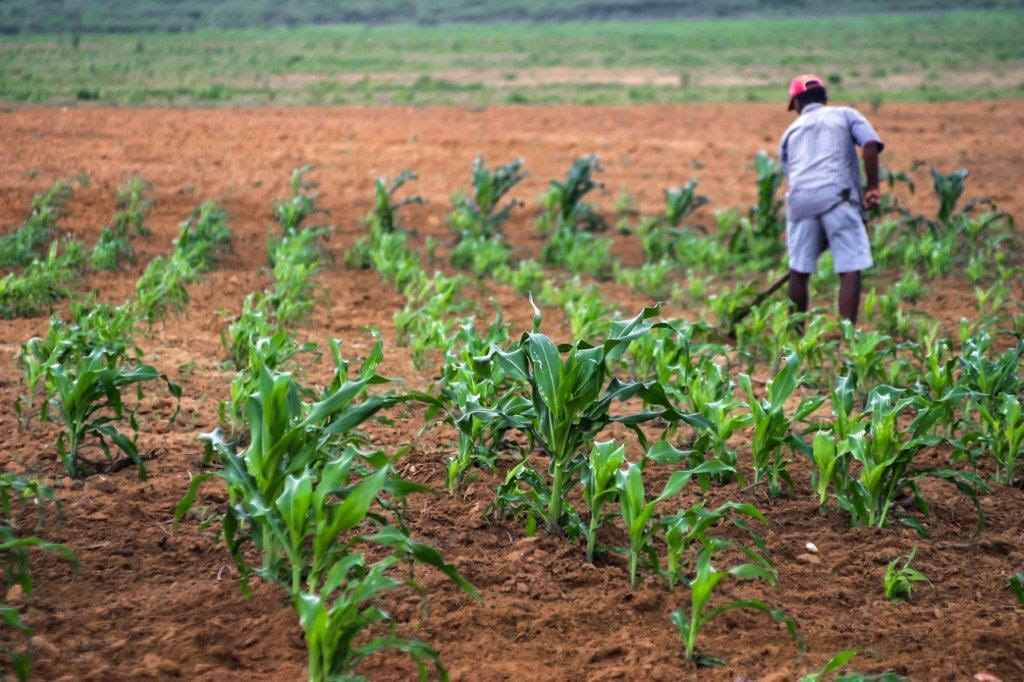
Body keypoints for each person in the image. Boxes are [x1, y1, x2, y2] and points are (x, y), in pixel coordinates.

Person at [778, 74, 883, 325]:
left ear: (797, 104)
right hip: (839, 199)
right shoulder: (846, 115)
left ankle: (796, 336)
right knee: (850, 266)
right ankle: (847, 335)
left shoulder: (790, 132)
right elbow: (869, 144)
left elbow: (792, 175)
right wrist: (872, 187)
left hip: (800, 203)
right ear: (824, 99)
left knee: (799, 269)